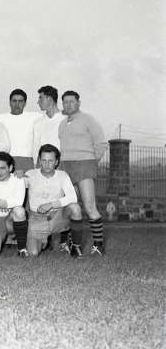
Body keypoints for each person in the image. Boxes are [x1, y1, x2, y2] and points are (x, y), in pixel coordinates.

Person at [59, 91, 107, 256]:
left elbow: (101, 143)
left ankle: (98, 246)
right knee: (69, 206)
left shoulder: (88, 119)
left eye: (72, 101)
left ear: (78, 103)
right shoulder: (62, 124)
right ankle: (70, 243)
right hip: (66, 166)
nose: (68, 104)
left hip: (84, 165)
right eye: (65, 102)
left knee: (89, 206)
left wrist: (92, 162)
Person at [24, 144, 83, 256]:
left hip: (58, 216)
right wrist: (15, 175)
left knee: (75, 208)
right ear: (39, 160)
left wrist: (51, 204)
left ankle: (76, 246)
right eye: (44, 160)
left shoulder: (62, 175)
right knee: (33, 253)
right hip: (37, 219)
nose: (47, 164)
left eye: (50, 161)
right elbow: (15, 187)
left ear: (56, 162)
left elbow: (73, 197)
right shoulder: (30, 174)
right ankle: (45, 240)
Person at [0, 89, 41, 174]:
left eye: (20, 101)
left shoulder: (34, 117)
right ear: (10, 102)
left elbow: (52, 116)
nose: (17, 104)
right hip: (6, 160)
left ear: (25, 103)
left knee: (27, 183)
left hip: (27, 160)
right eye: (14, 101)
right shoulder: (0, 118)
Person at [32, 86, 66, 165]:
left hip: (62, 165)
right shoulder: (38, 123)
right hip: (42, 166)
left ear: (50, 99)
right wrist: (35, 165)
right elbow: (35, 148)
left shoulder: (66, 120)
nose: (38, 102)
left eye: (41, 98)